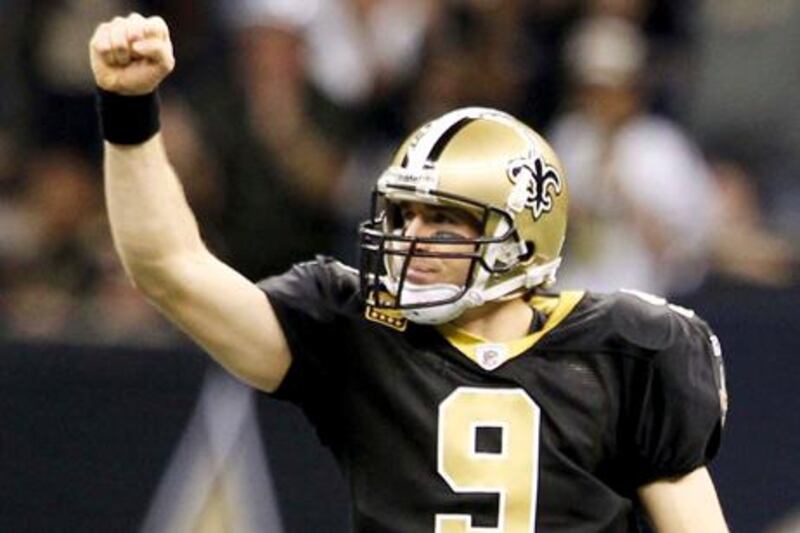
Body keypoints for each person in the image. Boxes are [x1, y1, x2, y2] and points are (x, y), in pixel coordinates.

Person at [89, 13, 729, 532]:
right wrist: (129, 112)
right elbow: (169, 268)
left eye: (443, 222)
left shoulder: (629, 351)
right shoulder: (359, 328)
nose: (412, 241)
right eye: (402, 218)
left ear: (519, 240)